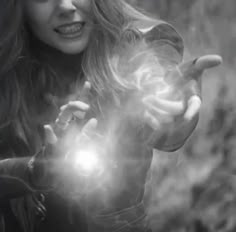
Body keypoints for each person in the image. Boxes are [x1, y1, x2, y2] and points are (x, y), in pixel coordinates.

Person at [0, 0, 222, 232]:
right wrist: (35, 170)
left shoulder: (133, 48)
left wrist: (171, 102)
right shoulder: (7, 75)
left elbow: (153, 66)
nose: (66, 6)